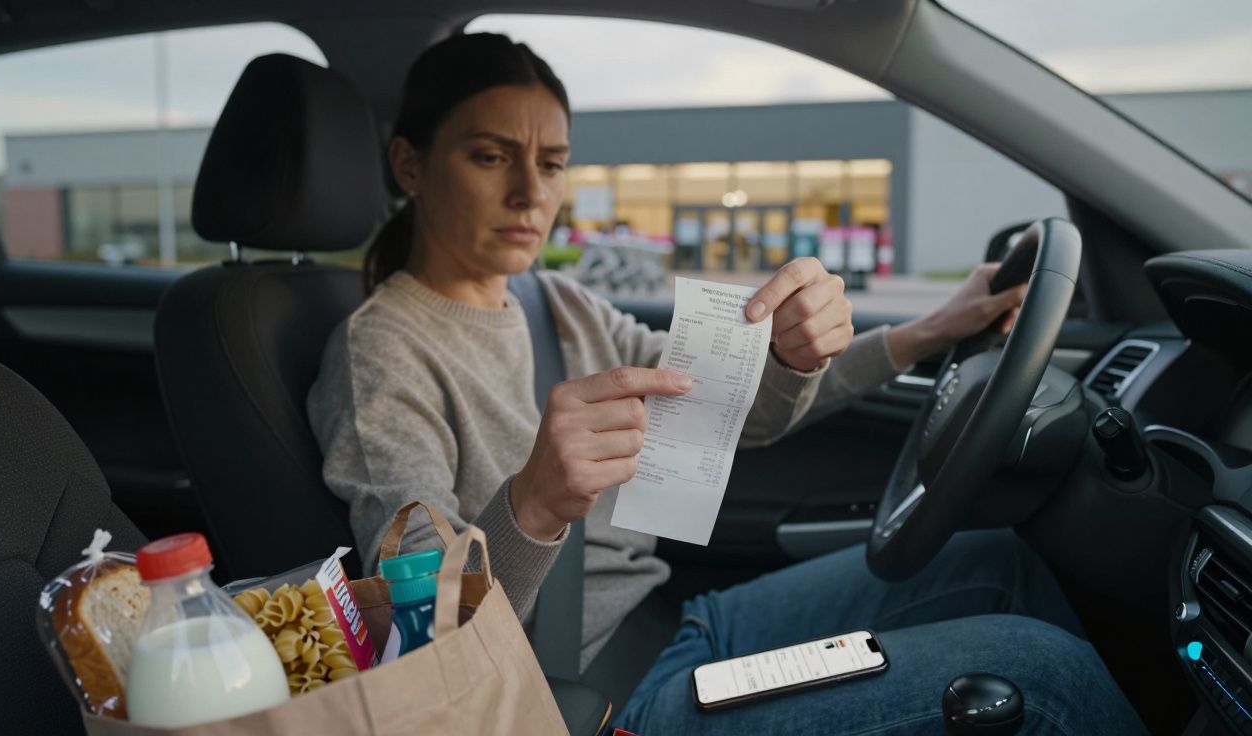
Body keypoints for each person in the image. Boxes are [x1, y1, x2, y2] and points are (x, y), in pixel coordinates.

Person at [306, 33, 1145, 734]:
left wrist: (901, 336)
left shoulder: (555, 300)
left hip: (677, 623)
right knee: (1043, 675)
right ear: (410, 167)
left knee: (995, 561)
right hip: (589, 698)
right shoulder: (379, 353)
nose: (533, 193)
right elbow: (421, 638)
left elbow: (717, 409)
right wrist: (530, 504)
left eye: (554, 163)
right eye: (491, 157)